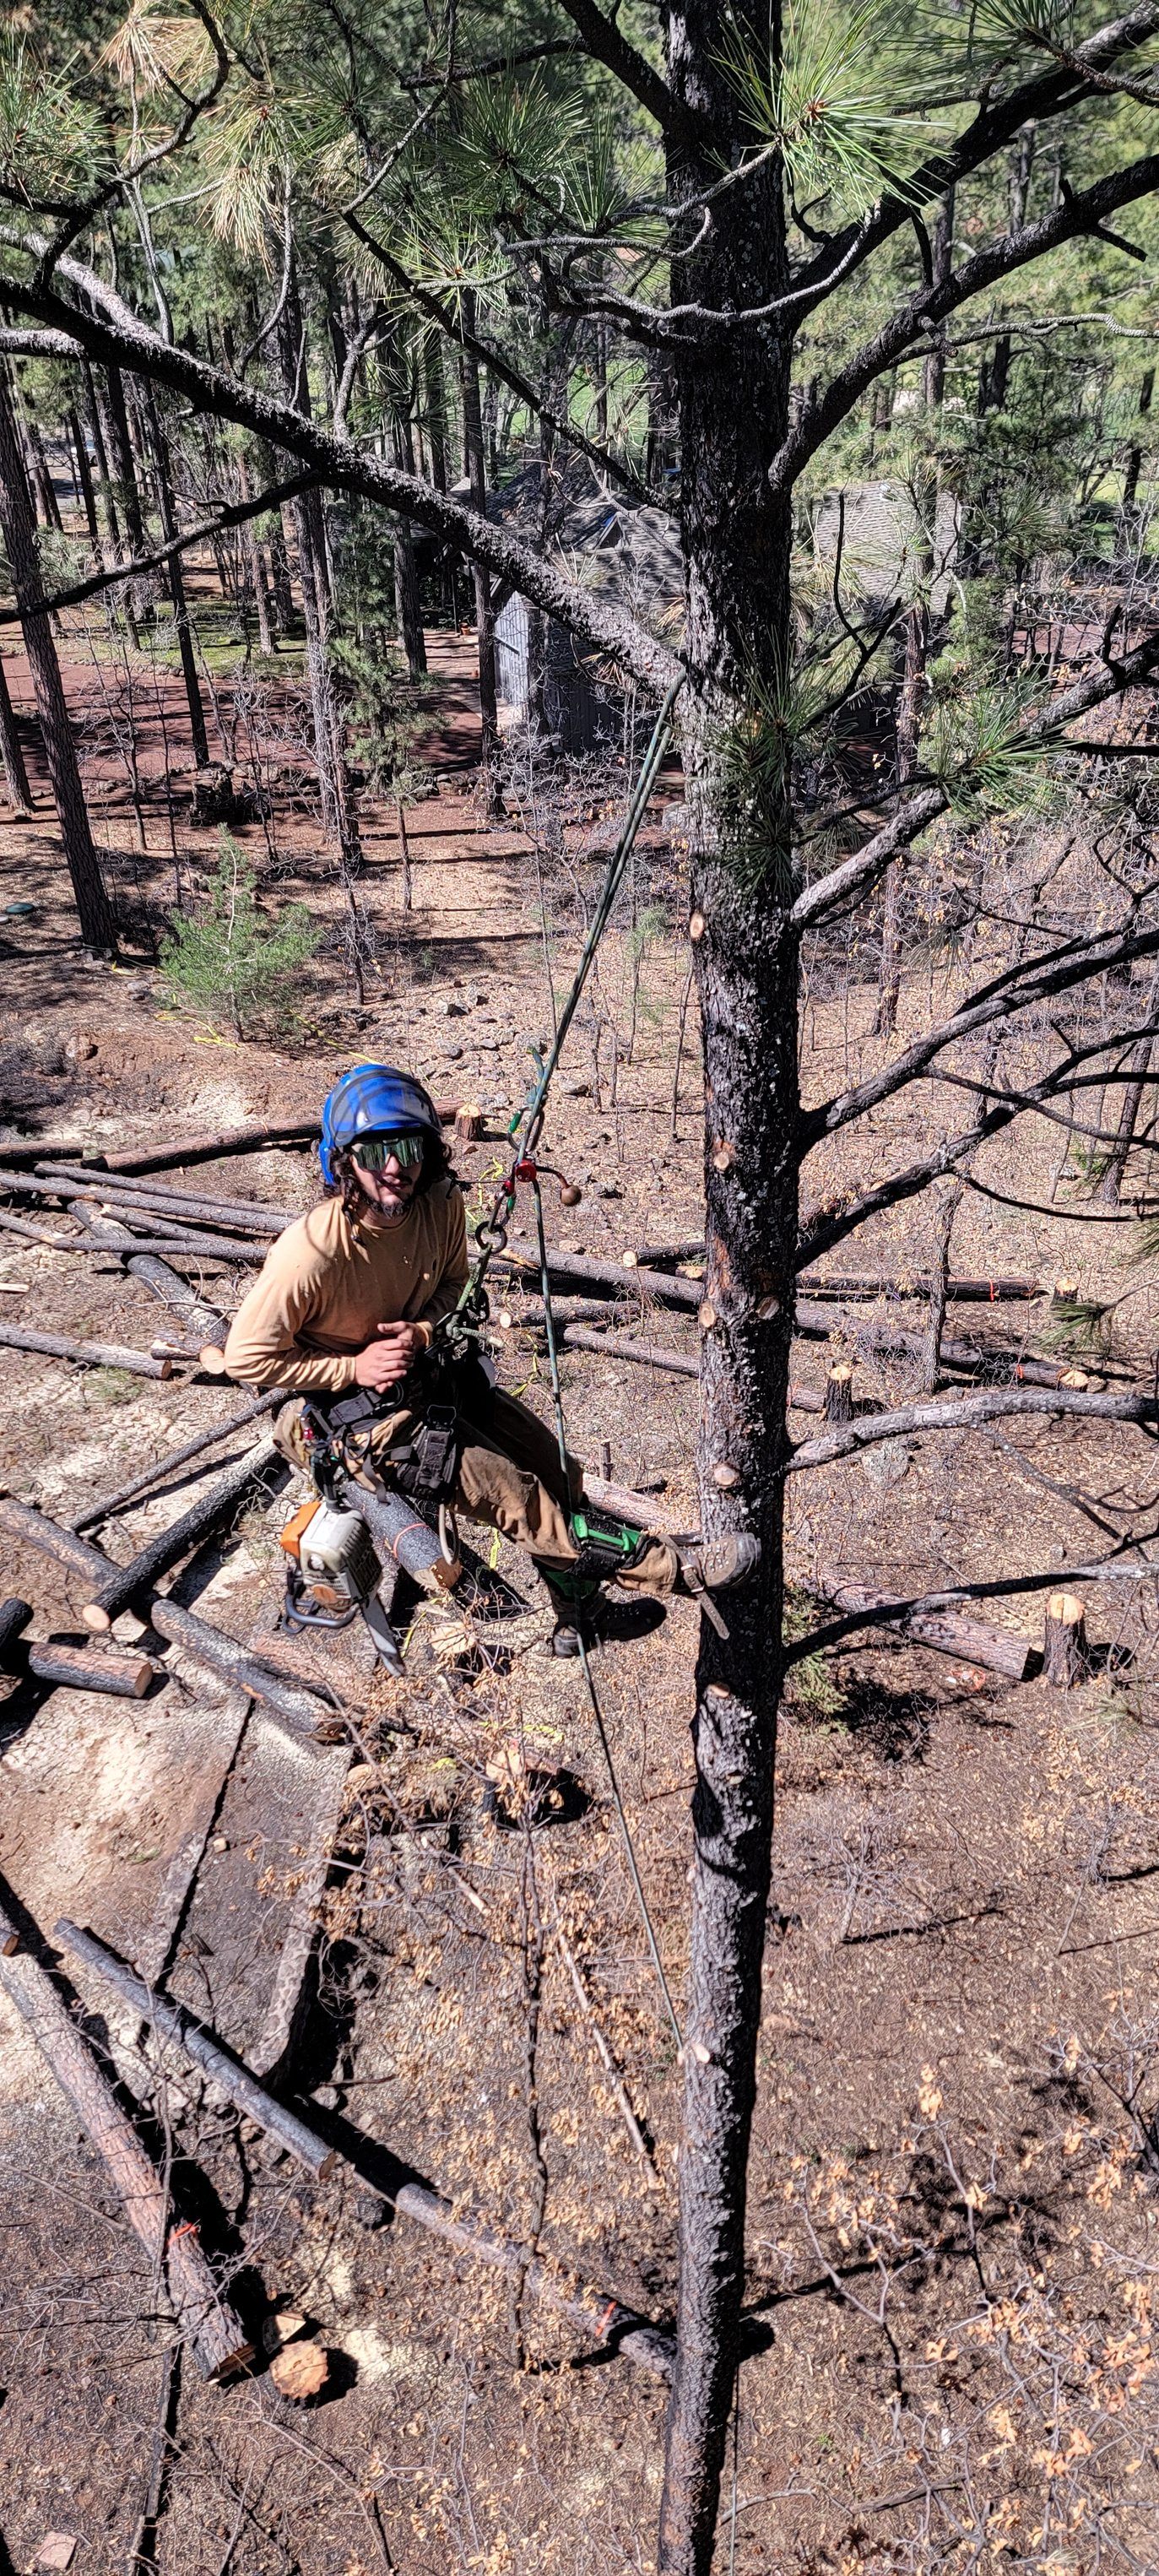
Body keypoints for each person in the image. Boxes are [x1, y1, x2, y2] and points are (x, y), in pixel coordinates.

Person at [222, 1064, 756, 1650]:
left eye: (406, 1148)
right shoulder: (312, 1253)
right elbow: (244, 1357)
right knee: (522, 1499)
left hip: (431, 1377)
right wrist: (353, 1367)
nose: (394, 1168)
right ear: (344, 1160)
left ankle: (581, 1615)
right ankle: (681, 1569)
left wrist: (422, 1332)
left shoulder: (441, 1204)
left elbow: (454, 1283)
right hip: (364, 1423)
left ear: (428, 1151)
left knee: (558, 1474)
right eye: (375, 1152)